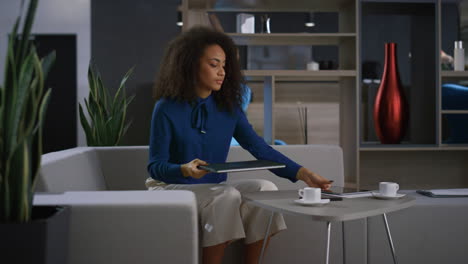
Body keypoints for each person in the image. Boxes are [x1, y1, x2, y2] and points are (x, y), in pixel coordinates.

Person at [146, 26, 333, 264]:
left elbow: (260, 148)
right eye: (214, 64)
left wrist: (304, 173)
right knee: (225, 194)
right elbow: (155, 167)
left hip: (210, 187)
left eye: (224, 65)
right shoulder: (166, 107)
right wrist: (184, 169)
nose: (222, 72)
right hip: (169, 185)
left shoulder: (228, 107)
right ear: (190, 64)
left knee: (265, 189)